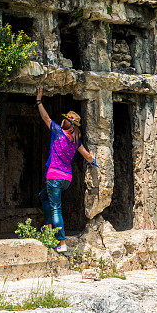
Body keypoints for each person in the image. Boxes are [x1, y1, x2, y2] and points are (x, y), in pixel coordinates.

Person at [36, 86, 97, 253]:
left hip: (54, 176)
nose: (61, 120)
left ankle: (62, 242)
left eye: (64, 119)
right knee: (44, 196)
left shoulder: (58, 132)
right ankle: (49, 226)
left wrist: (39, 101)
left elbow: (46, 117)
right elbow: (87, 156)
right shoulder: (75, 140)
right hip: (66, 179)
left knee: (56, 208)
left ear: (68, 123)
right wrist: (92, 158)